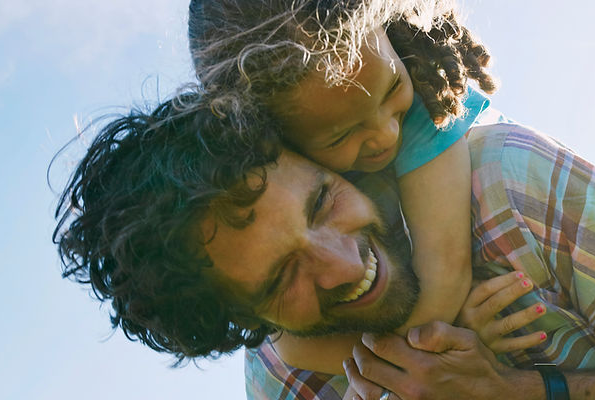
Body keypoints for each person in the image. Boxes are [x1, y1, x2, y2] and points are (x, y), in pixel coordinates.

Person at [54, 93, 595, 399]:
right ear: (238, 320)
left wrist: (524, 394)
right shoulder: (282, 380)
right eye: (285, 277)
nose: (348, 266)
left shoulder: (508, 189)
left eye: (323, 201)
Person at [186, 0, 505, 374]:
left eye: (391, 90)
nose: (386, 134)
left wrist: (436, 339)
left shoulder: (426, 104)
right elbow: (295, 351)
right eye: (341, 136)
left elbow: (446, 276)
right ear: (273, 140)